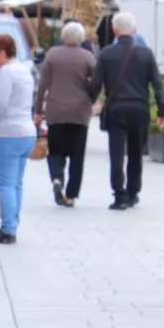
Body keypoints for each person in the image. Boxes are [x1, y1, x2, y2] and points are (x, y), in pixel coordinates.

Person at [88, 11, 164, 210]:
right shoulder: (146, 53)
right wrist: (162, 111)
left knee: (116, 154)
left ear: (114, 31)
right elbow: (158, 85)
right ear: (134, 30)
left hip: (116, 109)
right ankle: (133, 192)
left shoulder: (106, 53)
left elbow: (95, 83)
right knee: (135, 153)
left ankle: (119, 194)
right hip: (140, 110)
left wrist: (91, 102)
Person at [0, 33, 39, 244]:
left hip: (7, 134)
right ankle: (12, 224)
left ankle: (7, 229)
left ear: (3, 53)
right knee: (16, 183)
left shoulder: (6, 72)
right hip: (26, 132)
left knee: (4, 183)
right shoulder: (25, 71)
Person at [33, 21, 97, 207]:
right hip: (79, 111)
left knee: (55, 149)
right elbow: (96, 82)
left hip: (56, 110)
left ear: (63, 37)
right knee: (77, 155)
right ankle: (71, 195)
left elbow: (42, 85)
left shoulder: (52, 55)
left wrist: (38, 111)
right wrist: (91, 98)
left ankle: (56, 177)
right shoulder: (88, 57)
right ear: (81, 38)